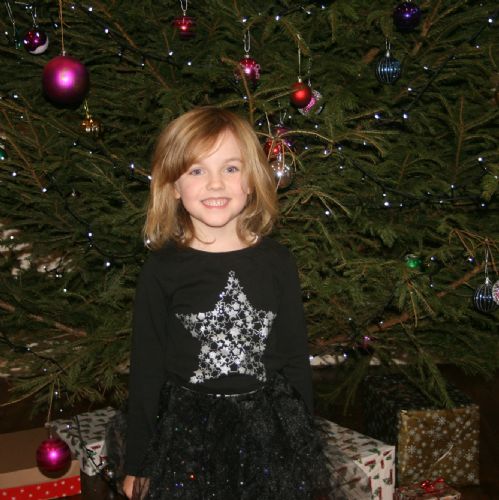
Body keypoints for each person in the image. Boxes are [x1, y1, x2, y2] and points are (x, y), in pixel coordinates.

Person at [123, 107, 330, 499]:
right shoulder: (161, 269)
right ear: (173, 186)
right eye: (196, 171)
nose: (215, 184)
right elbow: (146, 369)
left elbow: (294, 359)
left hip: (266, 430)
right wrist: (138, 463)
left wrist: (304, 448)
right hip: (188, 436)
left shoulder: (277, 262)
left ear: (251, 181)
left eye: (231, 168)